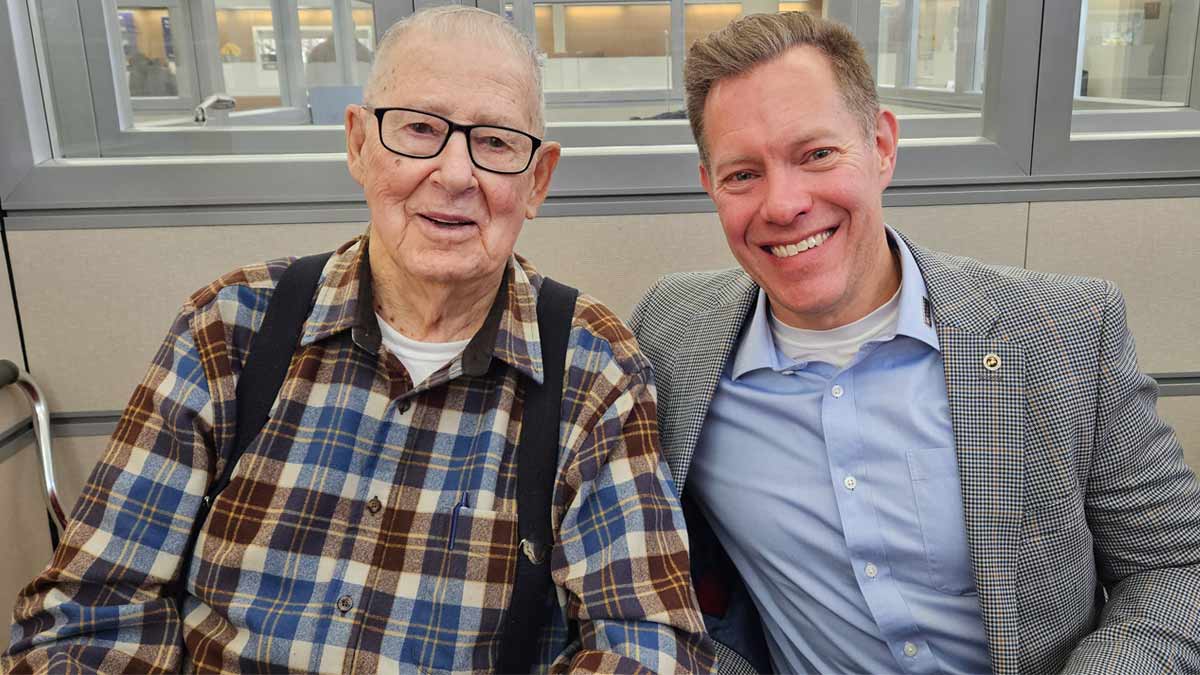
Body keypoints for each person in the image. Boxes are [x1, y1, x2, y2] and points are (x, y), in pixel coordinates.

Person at [3, 8, 714, 674]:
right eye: (418, 129)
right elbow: (88, 613)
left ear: (538, 180)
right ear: (357, 143)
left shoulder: (593, 369)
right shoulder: (233, 329)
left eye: (496, 142)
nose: (456, 174)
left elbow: (645, 643)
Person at [630, 11, 1200, 675]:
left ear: (881, 146)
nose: (783, 204)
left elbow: (1175, 567)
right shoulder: (670, 335)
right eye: (742, 175)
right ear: (710, 187)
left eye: (816, 155)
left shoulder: (1065, 331)